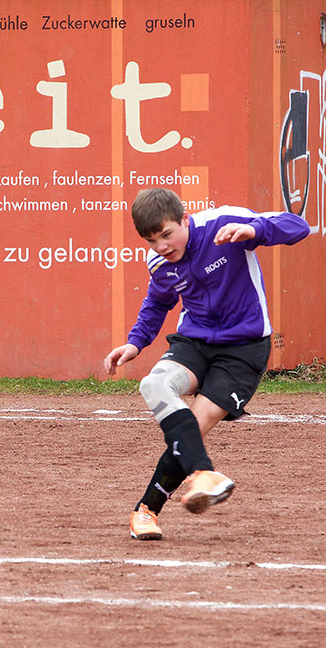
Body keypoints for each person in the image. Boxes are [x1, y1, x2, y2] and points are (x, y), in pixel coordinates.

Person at [103, 188, 309, 541]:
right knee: (154, 384)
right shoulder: (160, 262)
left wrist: (255, 229)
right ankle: (204, 474)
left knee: (191, 431)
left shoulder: (223, 223)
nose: (161, 246)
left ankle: (145, 511)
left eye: (167, 234)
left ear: (185, 219)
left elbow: (297, 226)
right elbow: (158, 303)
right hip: (195, 343)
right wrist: (136, 342)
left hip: (243, 349)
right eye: (151, 241)